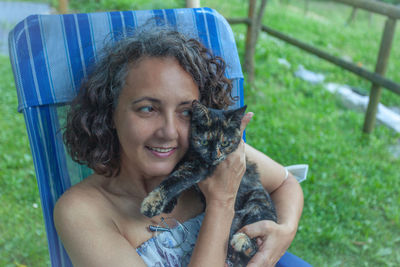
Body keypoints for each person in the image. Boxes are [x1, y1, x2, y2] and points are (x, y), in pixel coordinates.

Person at [54, 28, 305, 267]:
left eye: (186, 112)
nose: (169, 132)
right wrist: (221, 201)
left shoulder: (210, 155)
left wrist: (285, 230)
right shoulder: (83, 212)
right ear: (109, 113)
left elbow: (285, 183)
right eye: (147, 108)